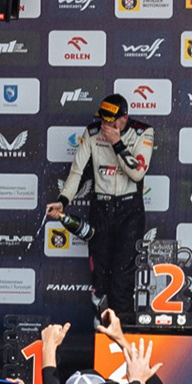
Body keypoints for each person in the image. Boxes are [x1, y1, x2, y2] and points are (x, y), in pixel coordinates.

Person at [64, 93, 152, 324]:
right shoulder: (92, 132)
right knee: (100, 274)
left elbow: (137, 173)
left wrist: (116, 142)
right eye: (102, 120)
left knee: (123, 276)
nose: (105, 126)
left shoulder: (143, 132)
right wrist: (63, 201)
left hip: (129, 210)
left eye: (110, 121)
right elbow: (76, 171)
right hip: (101, 208)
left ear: (124, 119)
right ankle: (101, 331)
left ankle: (121, 332)